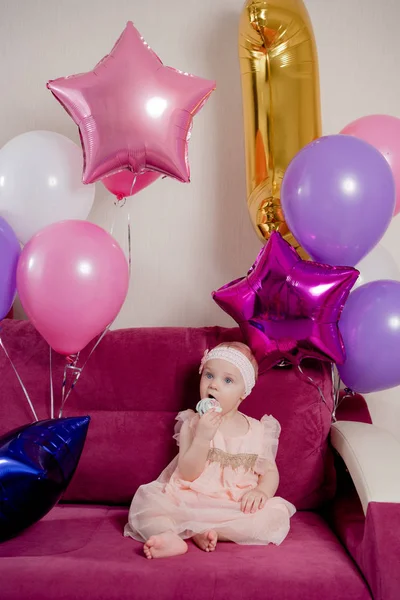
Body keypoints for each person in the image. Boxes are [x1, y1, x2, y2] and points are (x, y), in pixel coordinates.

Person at [124, 341, 295, 559]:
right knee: (149, 505)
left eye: (227, 380)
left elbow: (270, 472)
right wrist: (203, 437)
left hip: (234, 503)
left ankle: (198, 530)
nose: (214, 385)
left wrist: (262, 492)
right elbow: (187, 472)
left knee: (273, 516)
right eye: (209, 375)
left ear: (244, 392)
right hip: (191, 497)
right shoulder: (192, 423)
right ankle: (169, 536)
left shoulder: (258, 430)